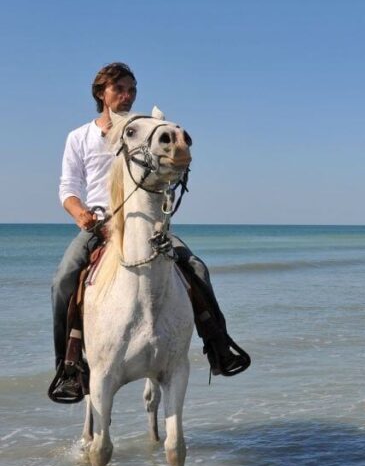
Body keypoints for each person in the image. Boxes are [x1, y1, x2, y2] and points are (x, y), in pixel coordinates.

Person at [49, 62, 248, 402]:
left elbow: (167, 163)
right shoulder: (79, 137)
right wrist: (80, 213)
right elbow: (68, 188)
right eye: (119, 89)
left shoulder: (145, 129)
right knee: (63, 280)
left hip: (146, 221)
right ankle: (69, 366)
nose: (127, 96)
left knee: (196, 267)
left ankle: (218, 345)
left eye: (132, 89)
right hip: (102, 223)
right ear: (102, 94)